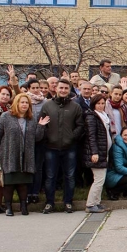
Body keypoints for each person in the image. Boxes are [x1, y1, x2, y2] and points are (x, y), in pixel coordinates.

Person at [0, 94, 48, 216]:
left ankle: (23, 206)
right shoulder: (6, 116)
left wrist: (41, 126)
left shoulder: (31, 119)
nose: (24, 105)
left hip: (26, 156)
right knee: (9, 183)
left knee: (23, 183)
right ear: (16, 103)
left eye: (26, 103)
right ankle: (9, 207)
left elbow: (37, 138)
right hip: (9, 154)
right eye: (22, 102)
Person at [40, 79, 85, 214]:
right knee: (51, 176)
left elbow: (80, 126)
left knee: (69, 176)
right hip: (51, 147)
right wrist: (48, 136)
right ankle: (49, 202)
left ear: (69, 90)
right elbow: (42, 124)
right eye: (61, 88)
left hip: (69, 147)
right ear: (56, 88)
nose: (63, 90)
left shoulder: (75, 106)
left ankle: (68, 202)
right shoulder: (47, 106)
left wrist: (72, 136)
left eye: (66, 88)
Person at [82, 94, 112, 213]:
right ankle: (90, 205)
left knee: (101, 179)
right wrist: (94, 153)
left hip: (104, 151)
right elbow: (91, 136)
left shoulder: (104, 116)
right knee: (99, 179)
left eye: (102, 103)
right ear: (94, 104)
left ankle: (97, 202)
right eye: (98, 103)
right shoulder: (91, 117)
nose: (100, 106)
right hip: (96, 152)